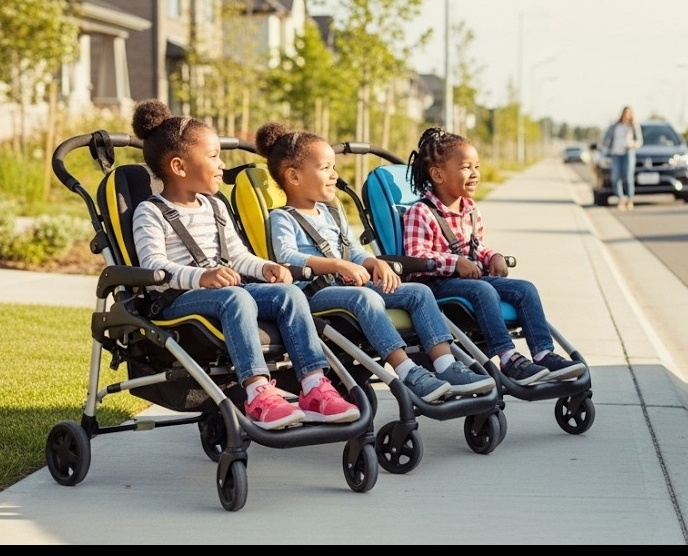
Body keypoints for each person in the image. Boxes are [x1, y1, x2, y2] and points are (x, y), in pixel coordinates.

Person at [129, 100, 359, 430]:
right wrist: (202, 276)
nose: (222, 165)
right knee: (236, 297)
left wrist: (265, 268)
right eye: (213, 157)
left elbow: (237, 256)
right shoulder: (150, 212)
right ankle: (257, 393)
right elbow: (155, 268)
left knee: (289, 294)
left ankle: (313, 387)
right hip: (179, 300)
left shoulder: (215, 207)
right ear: (179, 166)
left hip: (225, 291)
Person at [255, 122, 496, 402]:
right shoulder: (282, 217)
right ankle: (407, 371)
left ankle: (445, 364)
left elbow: (354, 251)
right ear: (294, 177)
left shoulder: (332, 213)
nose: (334, 175)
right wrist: (338, 265)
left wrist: (373, 262)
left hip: (348, 287)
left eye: (334, 168)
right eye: (325, 169)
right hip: (315, 294)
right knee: (365, 298)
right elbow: (287, 257)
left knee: (419, 292)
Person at [403, 126, 587, 385]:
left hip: (472, 280)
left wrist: (492, 256)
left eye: (476, 167)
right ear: (438, 174)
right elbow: (416, 256)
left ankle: (544, 353)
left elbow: (476, 247)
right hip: (437, 285)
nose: (475, 174)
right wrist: (456, 262)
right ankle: (508, 356)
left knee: (525, 289)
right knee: (484, 291)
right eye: (466, 167)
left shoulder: (470, 209)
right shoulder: (420, 212)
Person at [600, 105, 642, 210]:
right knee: (615, 177)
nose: (627, 115)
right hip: (616, 153)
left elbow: (639, 141)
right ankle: (621, 198)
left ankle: (630, 199)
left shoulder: (633, 126)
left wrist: (632, 144)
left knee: (628, 176)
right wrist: (605, 149)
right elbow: (607, 139)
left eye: (629, 113)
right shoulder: (615, 126)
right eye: (625, 113)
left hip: (628, 152)